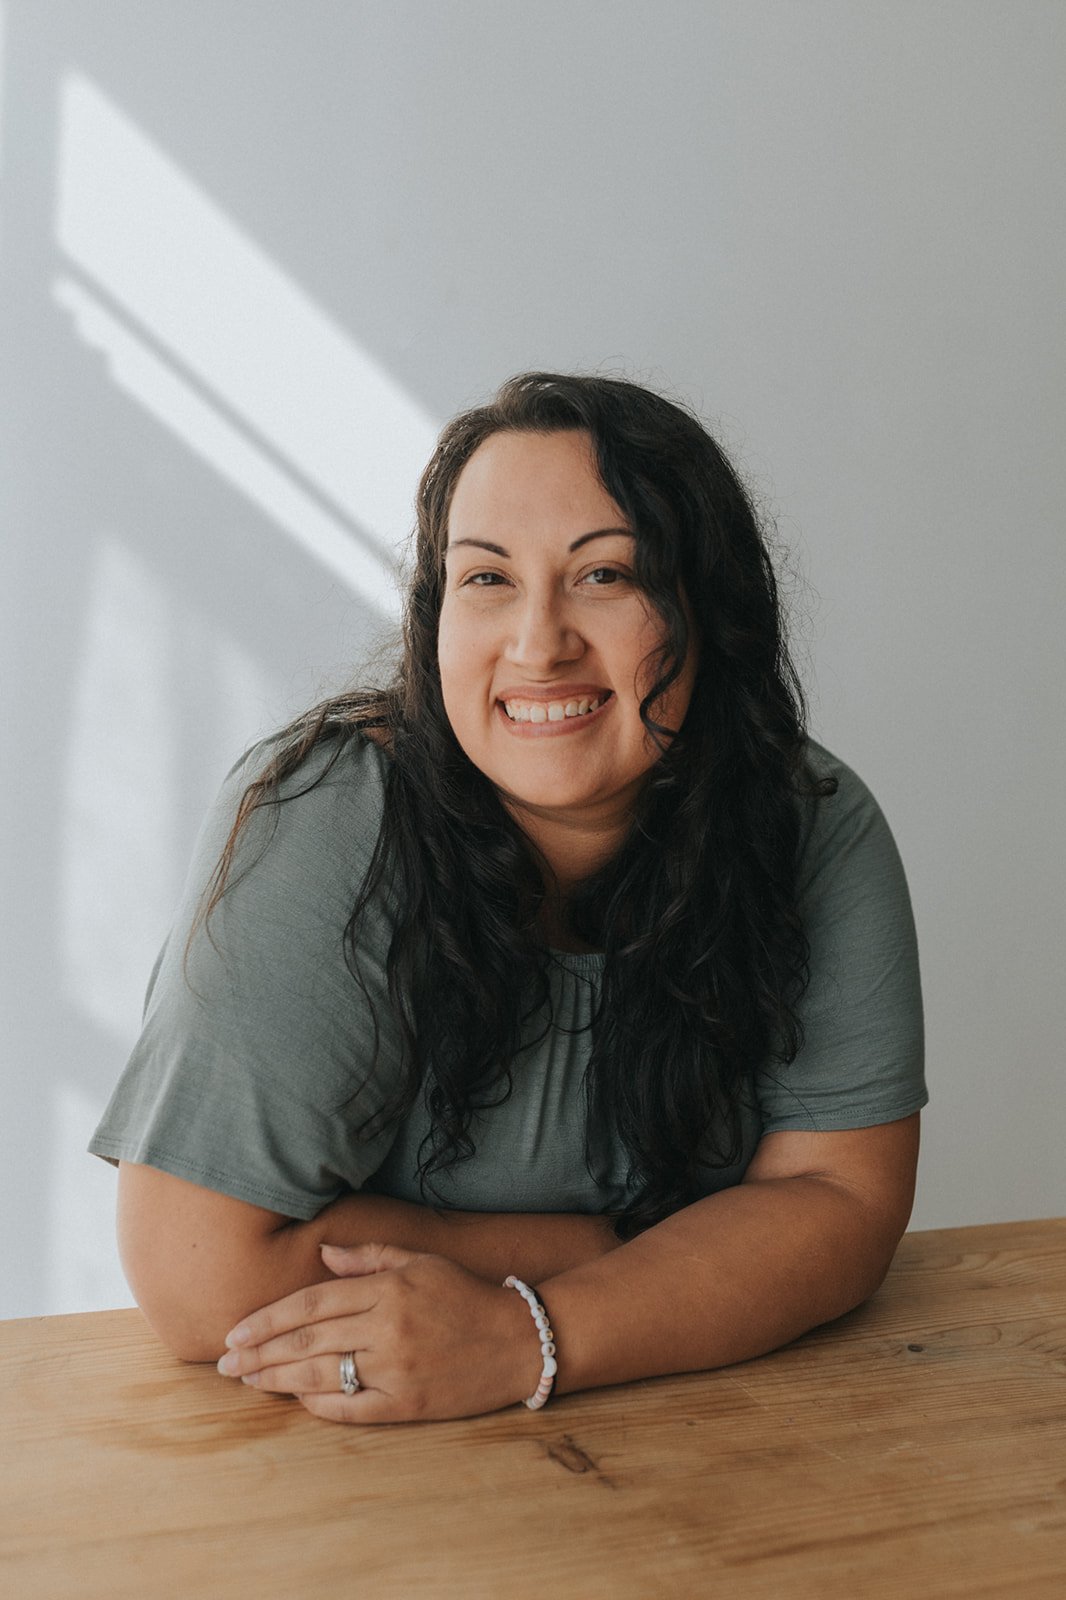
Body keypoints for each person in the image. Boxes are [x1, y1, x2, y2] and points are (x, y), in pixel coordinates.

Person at [90, 372, 925, 1424]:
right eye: (486, 580)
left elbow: (844, 1204)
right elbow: (195, 1276)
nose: (538, 643)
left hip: (719, 1434)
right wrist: (596, 1247)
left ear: (708, 608)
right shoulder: (328, 815)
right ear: (436, 615)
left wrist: (526, 1338)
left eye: (604, 574)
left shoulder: (811, 822)